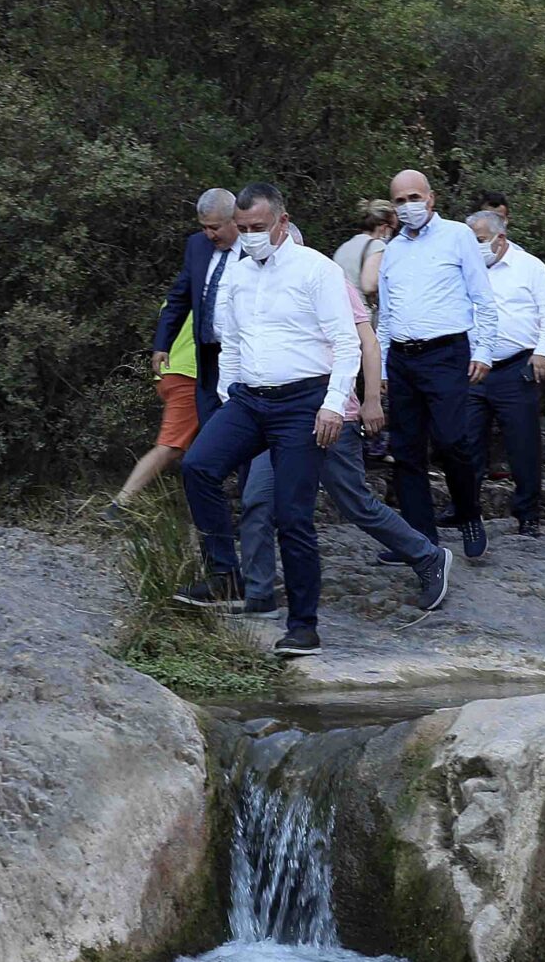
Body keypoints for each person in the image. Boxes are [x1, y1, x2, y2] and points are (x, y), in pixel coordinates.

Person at [174, 183, 357, 659]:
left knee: (292, 514)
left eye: (259, 228)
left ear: (281, 221)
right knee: (198, 466)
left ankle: (303, 625)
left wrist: (334, 403)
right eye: (245, 228)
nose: (251, 236)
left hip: (303, 401)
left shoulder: (317, 269)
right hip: (249, 398)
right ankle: (226, 576)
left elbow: (347, 341)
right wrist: (227, 393)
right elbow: (230, 338)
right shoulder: (237, 272)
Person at [233, 268, 451, 618]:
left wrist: (370, 399)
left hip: (331, 414)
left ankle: (428, 556)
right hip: (274, 414)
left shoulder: (328, 281)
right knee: (257, 498)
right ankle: (259, 593)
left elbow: (367, 341)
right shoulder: (258, 284)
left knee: (354, 502)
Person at [378, 170, 500, 561]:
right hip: (401, 358)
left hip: (446, 354)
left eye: (414, 197)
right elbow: (386, 312)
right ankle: (420, 541)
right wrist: (380, 368)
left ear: (431, 198)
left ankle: (468, 513)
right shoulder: (392, 250)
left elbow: (482, 296)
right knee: (406, 450)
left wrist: (483, 350)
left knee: (452, 441)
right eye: (400, 200)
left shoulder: (457, 236)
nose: (408, 206)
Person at [469, 209, 545, 535]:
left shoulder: (530, 267)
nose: (475, 247)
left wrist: (543, 352)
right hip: (472, 368)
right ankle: (464, 508)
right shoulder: (465, 270)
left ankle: (528, 513)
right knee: (465, 440)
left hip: (516, 366)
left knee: (523, 443)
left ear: (500, 238)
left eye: (480, 240)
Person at [153, 188, 240, 433]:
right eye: (204, 227)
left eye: (215, 227)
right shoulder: (197, 245)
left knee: (243, 427)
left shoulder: (254, 248)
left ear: (234, 220)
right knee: (210, 428)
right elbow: (180, 297)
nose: (209, 234)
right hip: (209, 354)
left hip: (244, 353)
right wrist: (162, 344)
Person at [105, 314, 201, 516]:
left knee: (199, 448)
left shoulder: (180, 298)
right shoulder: (213, 292)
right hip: (190, 375)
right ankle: (120, 505)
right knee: (170, 447)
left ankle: (198, 510)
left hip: (169, 370)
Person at [333, 199, 394, 301]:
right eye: (393, 229)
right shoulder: (377, 246)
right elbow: (369, 286)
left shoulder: (343, 247)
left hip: (342, 308)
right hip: (363, 311)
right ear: (383, 228)